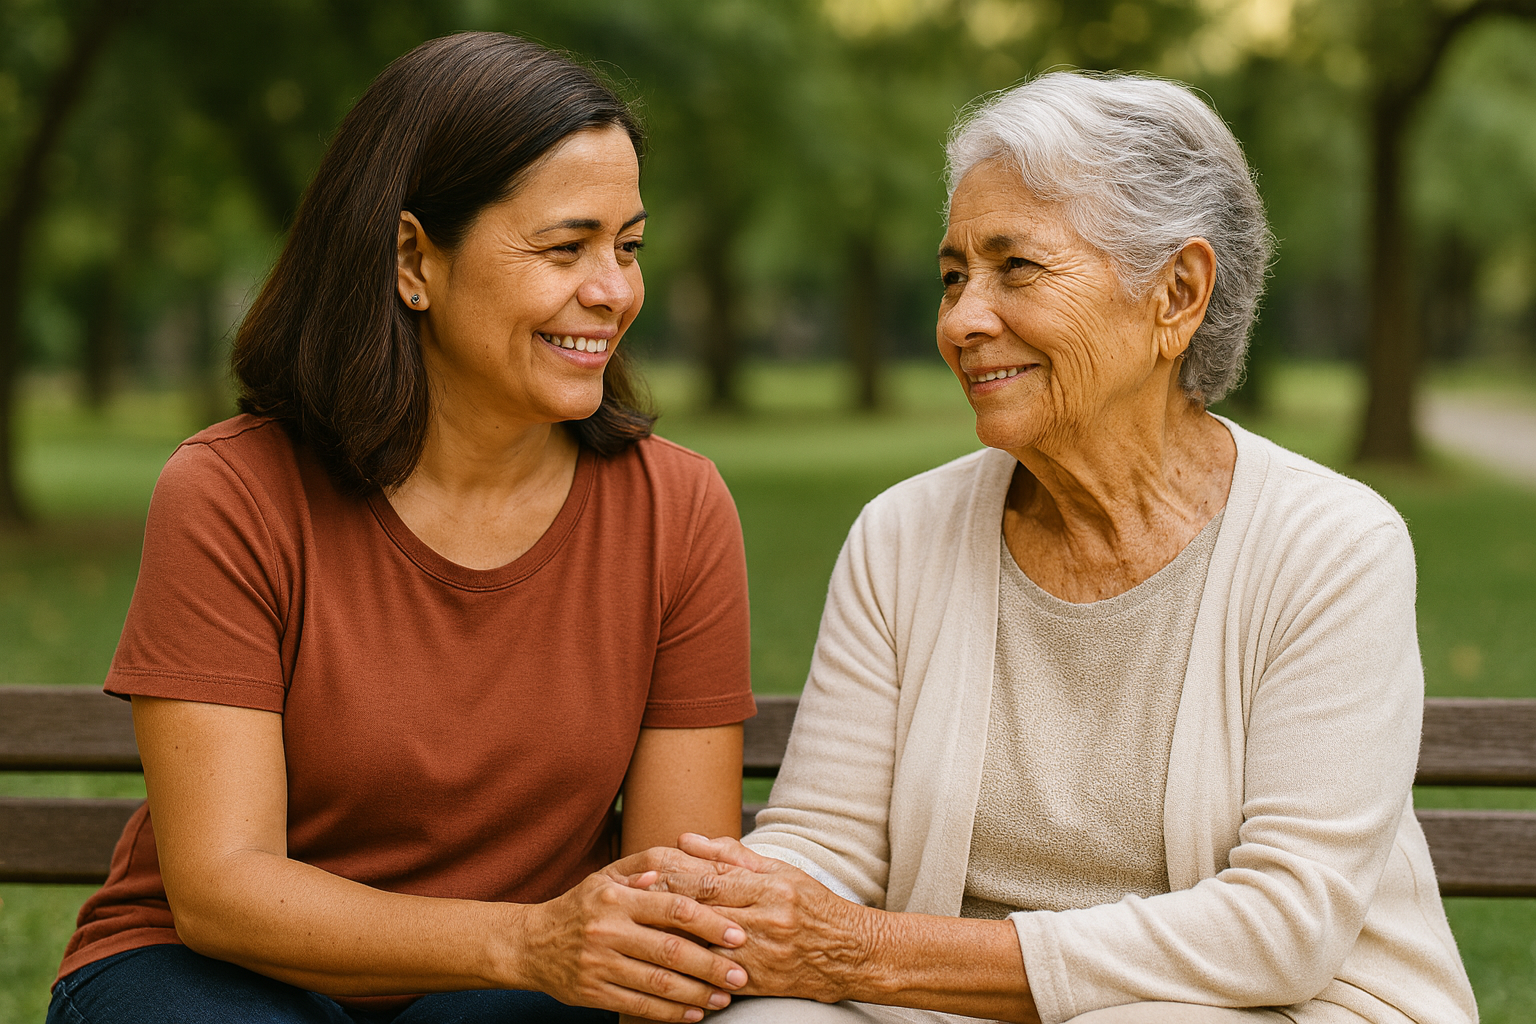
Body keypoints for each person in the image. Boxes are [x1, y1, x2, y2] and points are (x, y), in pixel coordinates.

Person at [625, 73, 1479, 1023]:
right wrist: (737, 909)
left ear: (1177, 294)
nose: (960, 321)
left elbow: (1281, 928)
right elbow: (827, 843)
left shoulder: (1332, 547)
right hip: (944, 1004)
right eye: (953, 277)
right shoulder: (902, 536)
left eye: (1015, 268)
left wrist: (861, 952)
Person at [47, 32, 759, 1024]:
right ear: (414, 259)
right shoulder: (232, 492)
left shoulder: (675, 511)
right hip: (216, 976)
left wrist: (548, 953)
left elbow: (667, 891)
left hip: (510, 994)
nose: (614, 290)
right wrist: (521, 939)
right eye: (567, 247)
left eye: (628, 246)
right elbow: (221, 887)